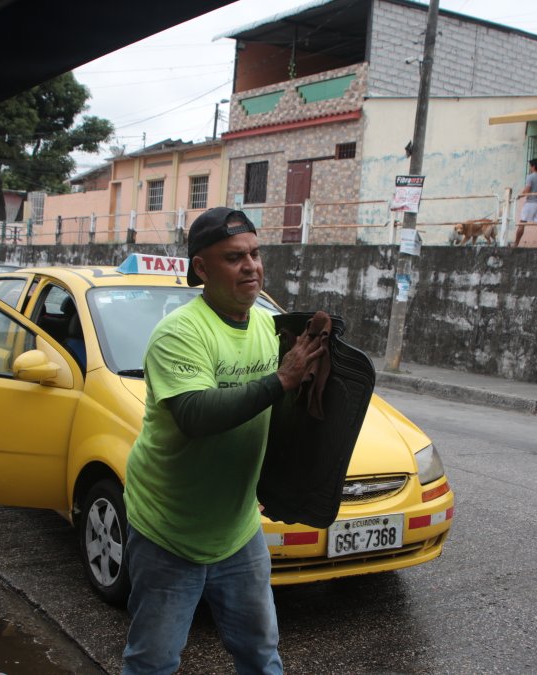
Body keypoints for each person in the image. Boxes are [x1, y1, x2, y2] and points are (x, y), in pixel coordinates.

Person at [122, 207, 325, 675]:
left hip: (237, 528)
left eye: (255, 254)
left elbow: (285, 412)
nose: (251, 266)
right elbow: (195, 415)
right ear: (201, 267)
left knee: (260, 654)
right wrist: (282, 379)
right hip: (168, 530)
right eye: (234, 257)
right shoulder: (181, 333)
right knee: (153, 661)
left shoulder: (265, 325)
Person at [513, 158, 537, 247]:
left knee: (522, 223)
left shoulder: (530, 176)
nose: (530, 168)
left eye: (530, 166)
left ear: (533, 166)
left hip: (531, 203)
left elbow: (527, 190)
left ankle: (516, 244)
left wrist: (519, 196)